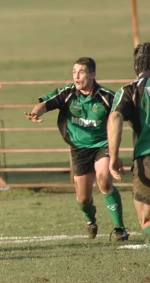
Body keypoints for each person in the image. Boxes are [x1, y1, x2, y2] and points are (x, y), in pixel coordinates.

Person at [25, 57, 128, 240]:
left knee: (104, 179)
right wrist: (35, 113)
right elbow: (45, 104)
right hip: (78, 149)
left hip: (102, 145)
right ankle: (90, 220)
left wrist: (115, 153)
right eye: (74, 72)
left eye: (81, 72)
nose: (76, 76)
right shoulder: (68, 93)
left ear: (93, 74)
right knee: (83, 199)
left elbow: (121, 117)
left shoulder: (107, 97)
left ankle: (119, 228)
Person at [107, 42, 150, 248]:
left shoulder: (130, 90)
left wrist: (113, 157)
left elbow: (115, 116)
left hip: (146, 158)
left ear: (136, 66)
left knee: (147, 220)